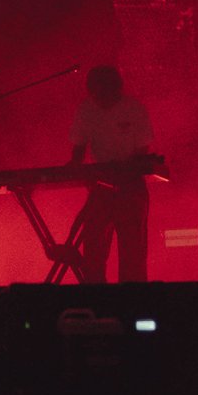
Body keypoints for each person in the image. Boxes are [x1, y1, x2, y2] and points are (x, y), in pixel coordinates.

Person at [67, 64, 154, 284]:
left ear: (116, 89)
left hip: (130, 187)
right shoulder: (86, 110)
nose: (99, 98)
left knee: (132, 253)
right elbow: (78, 148)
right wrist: (75, 167)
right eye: (95, 93)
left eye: (103, 92)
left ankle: (132, 304)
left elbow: (142, 150)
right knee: (94, 252)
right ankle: (97, 301)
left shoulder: (133, 108)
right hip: (101, 187)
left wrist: (124, 169)